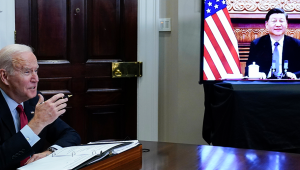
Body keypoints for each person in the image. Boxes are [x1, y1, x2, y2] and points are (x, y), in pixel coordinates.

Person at [0, 44, 81, 170]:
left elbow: (71, 135)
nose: (36, 79)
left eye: (36, 71)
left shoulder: (35, 99)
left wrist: (50, 152)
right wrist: (37, 123)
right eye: (27, 72)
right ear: (4, 77)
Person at [245, 8, 300, 79]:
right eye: (274, 21)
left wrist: (294, 75)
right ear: (266, 24)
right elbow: (248, 70)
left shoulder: (296, 44)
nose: (278, 24)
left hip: (288, 85)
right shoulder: (257, 44)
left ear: (286, 24)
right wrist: (258, 74)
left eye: (281, 21)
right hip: (265, 86)